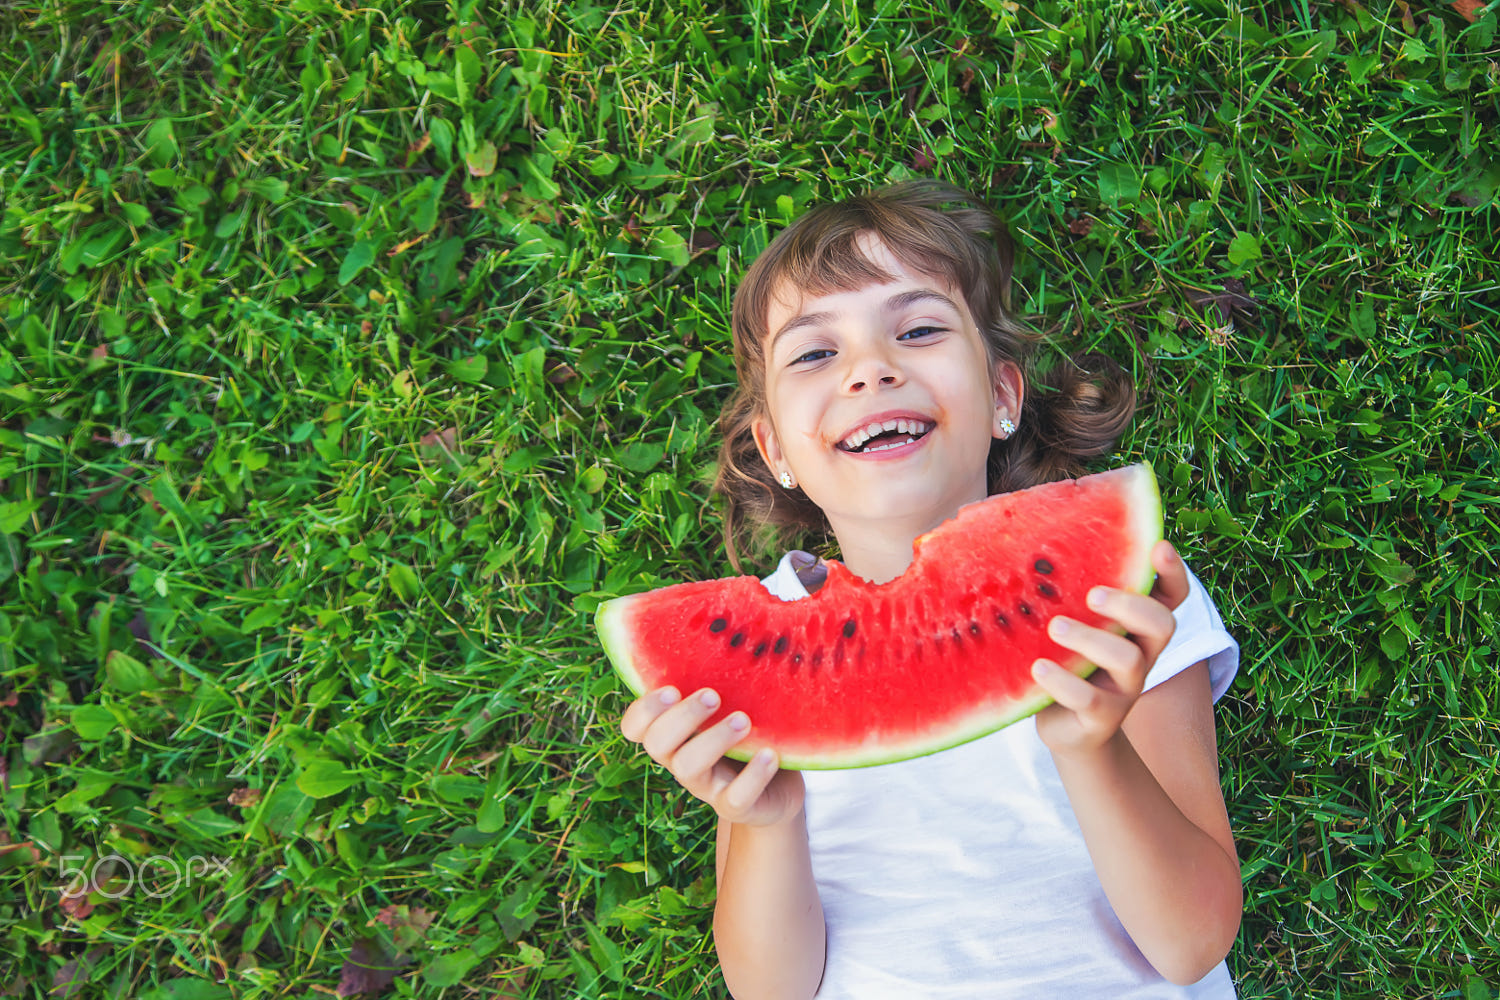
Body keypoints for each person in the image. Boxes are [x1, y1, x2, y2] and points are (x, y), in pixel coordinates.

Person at [619, 181, 1243, 999]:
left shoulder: (1116, 599)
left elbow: (1190, 943)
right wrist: (762, 822)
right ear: (775, 450)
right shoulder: (749, 661)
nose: (871, 370)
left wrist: (1091, 746)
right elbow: (771, 989)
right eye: (814, 354)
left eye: (918, 330)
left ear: (1002, 398)